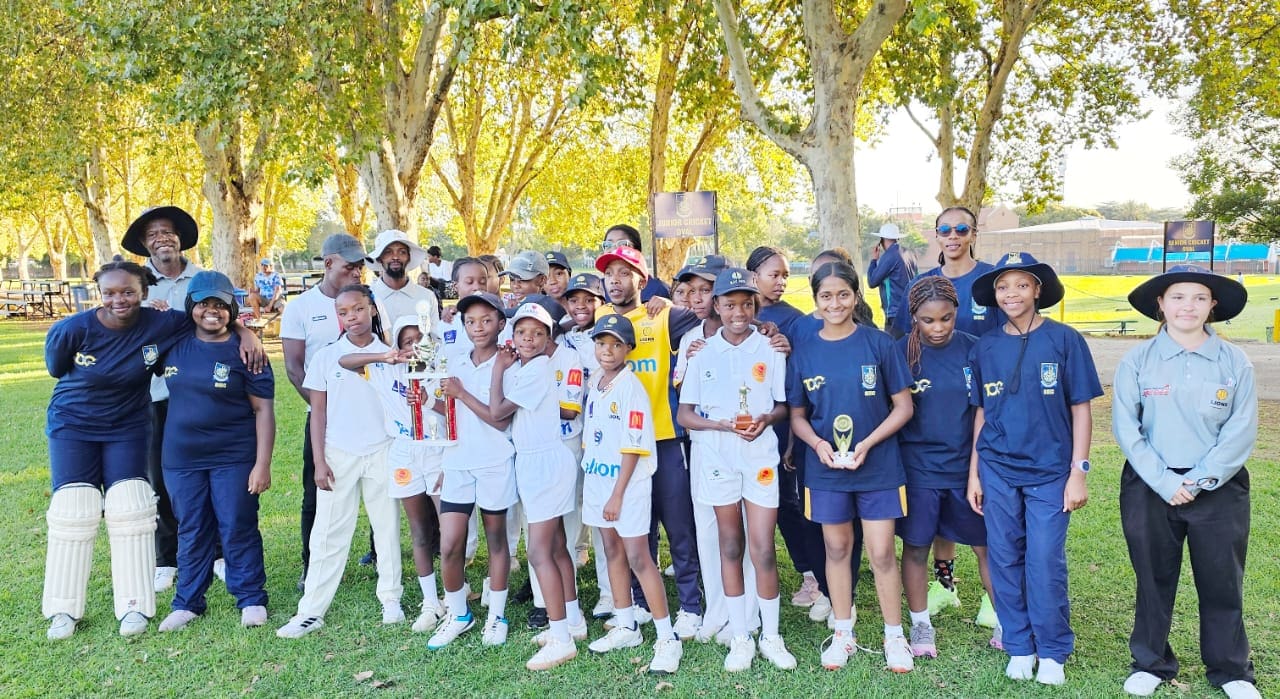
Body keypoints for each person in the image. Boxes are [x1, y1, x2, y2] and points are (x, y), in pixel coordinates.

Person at [42, 260, 263, 640]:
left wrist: (247, 333)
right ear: (99, 293)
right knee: (74, 507)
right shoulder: (71, 329)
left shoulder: (162, 322)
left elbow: (212, 317)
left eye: (128, 291)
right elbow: (54, 369)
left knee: (131, 505)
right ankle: (62, 608)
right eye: (110, 292)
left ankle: (134, 607)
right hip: (73, 425)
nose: (119, 300)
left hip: (128, 425)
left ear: (145, 293)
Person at [1113, 266, 1260, 699]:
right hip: (1150, 484)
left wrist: (1198, 480)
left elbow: (1241, 430)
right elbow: (1127, 428)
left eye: (1199, 298)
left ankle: (1231, 668)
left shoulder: (1234, 361)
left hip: (1218, 487)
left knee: (1221, 579)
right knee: (1153, 577)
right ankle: (1151, 662)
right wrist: (1163, 481)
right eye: (1177, 297)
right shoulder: (1137, 360)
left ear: (1213, 305)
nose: (1187, 307)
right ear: (1160, 304)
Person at [965, 252, 1102, 686]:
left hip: (1050, 472)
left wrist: (1078, 470)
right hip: (997, 469)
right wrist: (974, 473)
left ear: (1038, 290)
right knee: (1004, 558)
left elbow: (1081, 409)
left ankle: (1053, 649)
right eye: (1003, 287)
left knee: (1044, 560)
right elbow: (981, 414)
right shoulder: (984, 346)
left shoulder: (1065, 340)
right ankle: (1019, 645)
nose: (1012, 294)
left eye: (1022, 285)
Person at [786, 260, 915, 672]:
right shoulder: (805, 353)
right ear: (816, 301)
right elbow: (797, 416)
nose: (835, 303)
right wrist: (819, 445)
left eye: (843, 294)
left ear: (856, 297)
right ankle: (843, 632)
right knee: (837, 548)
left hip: (878, 467)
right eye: (826, 296)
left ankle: (895, 637)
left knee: (880, 553)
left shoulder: (879, 344)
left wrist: (868, 443)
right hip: (825, 470)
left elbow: (903, 407)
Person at [677, 268, 797, 672]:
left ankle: (772, 636)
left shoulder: (770, 349)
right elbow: (686, 414)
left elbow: (782, 405)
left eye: (747, 304)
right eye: (729, 304)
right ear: (717, 307)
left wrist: (765, 419)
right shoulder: (701, 352)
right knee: (730, 545)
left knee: (762, 547)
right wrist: (721, 426)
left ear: (756, 306)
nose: (738, 312)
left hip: (759, 456)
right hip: (717, 459)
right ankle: (741, 636)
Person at [889, 206, 1003, 622]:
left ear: (973, 232)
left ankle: (1000, 610)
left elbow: (985, 409)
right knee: (920, 542)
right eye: (945, 229)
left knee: (987, 541)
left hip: (969, 457)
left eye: (961, 229)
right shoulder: (902, 352)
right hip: (919, 466)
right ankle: (936, 599)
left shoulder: (976, 339)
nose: (937, 326)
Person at [277, 284, 404, 638]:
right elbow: (317, 413)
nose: (352, 318)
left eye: (359, 310)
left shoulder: (392, 355)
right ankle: (311, 611)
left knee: (386, 528)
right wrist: (319, 461)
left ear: (373, 310)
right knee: (328, 533)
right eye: (344, 312)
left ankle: (391, 598)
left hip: (383, 450)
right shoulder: (326, 357)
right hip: (338, 453)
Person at [155, 271, 275, 632]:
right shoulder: (173, 340)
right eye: (204, 303)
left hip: (233, 455)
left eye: (221, 304)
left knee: (236, 524)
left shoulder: (247, 353)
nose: (212, 311)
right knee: (191, 528)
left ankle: (251, 597)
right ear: (191, 305)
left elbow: (263, 410)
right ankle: (188, 603)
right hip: (180, 458)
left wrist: (262, 464)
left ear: (232, 308)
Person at [595, 245, 703, 637]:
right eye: (609, 275)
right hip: (623, 447)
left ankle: (691, 606)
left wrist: (668, 298)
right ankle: (641, 603)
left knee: (678, 526)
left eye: (624, 274)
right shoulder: (601, 319)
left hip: (664, 438)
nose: (615, 281)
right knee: (637, 530)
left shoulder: (663, 316)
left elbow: (711, 314)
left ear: (641, 279)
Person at [581, 314, 683, 675]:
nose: (607, 351)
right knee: (612, 553)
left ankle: (666, 638)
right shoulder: (597, 380)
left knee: (640, 557)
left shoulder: (631, 386)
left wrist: (617, 494)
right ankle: (626, 625)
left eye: (615, 344)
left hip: (625, 487)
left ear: (628, 349)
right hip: (597, 482)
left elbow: (632, 446)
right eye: (601, 343)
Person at [488, 302, 584, 670]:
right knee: (557, 546)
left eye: (538, 334)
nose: (529, 339)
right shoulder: (526, 367)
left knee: (538, 552)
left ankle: (559, 638)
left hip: (544, 463)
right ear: (512, 336)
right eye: (522, 333)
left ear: (549, 339)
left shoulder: (537, 369)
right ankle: (572, 621)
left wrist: (497, 370)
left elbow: (498, 415)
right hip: (539, 460)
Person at [343, 316, 448, 634]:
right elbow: (345, 361)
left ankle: (455, 597)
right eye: (407, 341)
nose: (414, 346)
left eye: (420, 339)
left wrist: (430, 400)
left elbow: (456, 409)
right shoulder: (383, 369)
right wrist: (383, 356)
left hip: (439, 450)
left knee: (449, 529)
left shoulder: (440, 370)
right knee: (418, 530)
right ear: (398, 346)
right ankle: (430, 602)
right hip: (403, 451)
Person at [426, 292, 518, 650]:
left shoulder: (509, 362)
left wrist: (462, 394)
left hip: (495, 461)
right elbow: (452, 413)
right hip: (458, 463)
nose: (478, 328)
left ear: (501, 323)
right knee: (449, 545)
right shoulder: (456, 361)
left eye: (486, 320)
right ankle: (459, 614)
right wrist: (428, 404)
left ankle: (496, 615)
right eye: (470, 322)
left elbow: (499, 420)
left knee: (497, 541)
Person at [280, 233, 370, 590]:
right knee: (318, 491)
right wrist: (323, 410)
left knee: (382, 488)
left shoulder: (368, 301)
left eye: (361, 267)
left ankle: (381, 556)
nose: (357, 273)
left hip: (370, 417)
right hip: (324, 418)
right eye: (350, 266)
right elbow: (293, 367)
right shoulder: (301, 307)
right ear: (329, 262)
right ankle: (311, 564)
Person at [121, 206, 204, 593]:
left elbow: (224, 318)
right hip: (154, 395)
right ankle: (166, 558)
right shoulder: (136, 285)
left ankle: (216, 552)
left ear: (180, 238)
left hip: (201, 392)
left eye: (168, 232)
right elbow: (120, 327)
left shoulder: (202, 278)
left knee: (206, 473)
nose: (162, 239)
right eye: (153, 234)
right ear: (144, 244)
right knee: (160, 477)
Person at [746, 246, 824, 615]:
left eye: (785, 275)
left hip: (779, 428)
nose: (780, 281)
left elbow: (801, 379)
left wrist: (792, 438)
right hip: (737, 427)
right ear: (752, 276)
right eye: (773, 274)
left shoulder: (794, 320)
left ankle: (811, 574)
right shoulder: (736, 311)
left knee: (788, 504)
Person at [369, 229, 439, 328]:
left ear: (409, 257)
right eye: (388, 252)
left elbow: (435, 338)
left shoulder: (427, 297)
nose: (395, 257)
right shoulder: (368, 297)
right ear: (379, 258)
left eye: (402, 252)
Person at [866, 223, 917, 338]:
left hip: (895, 313)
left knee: (893, 351)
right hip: (912, 309)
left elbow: (872, 281)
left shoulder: (890, 256)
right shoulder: (909, 254)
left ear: (882, 240)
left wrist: (874, 260)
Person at [602, 224, 670, 301]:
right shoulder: (598, 288)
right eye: (608, 244)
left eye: (622, 244)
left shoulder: (658, 289)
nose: (614, 249)